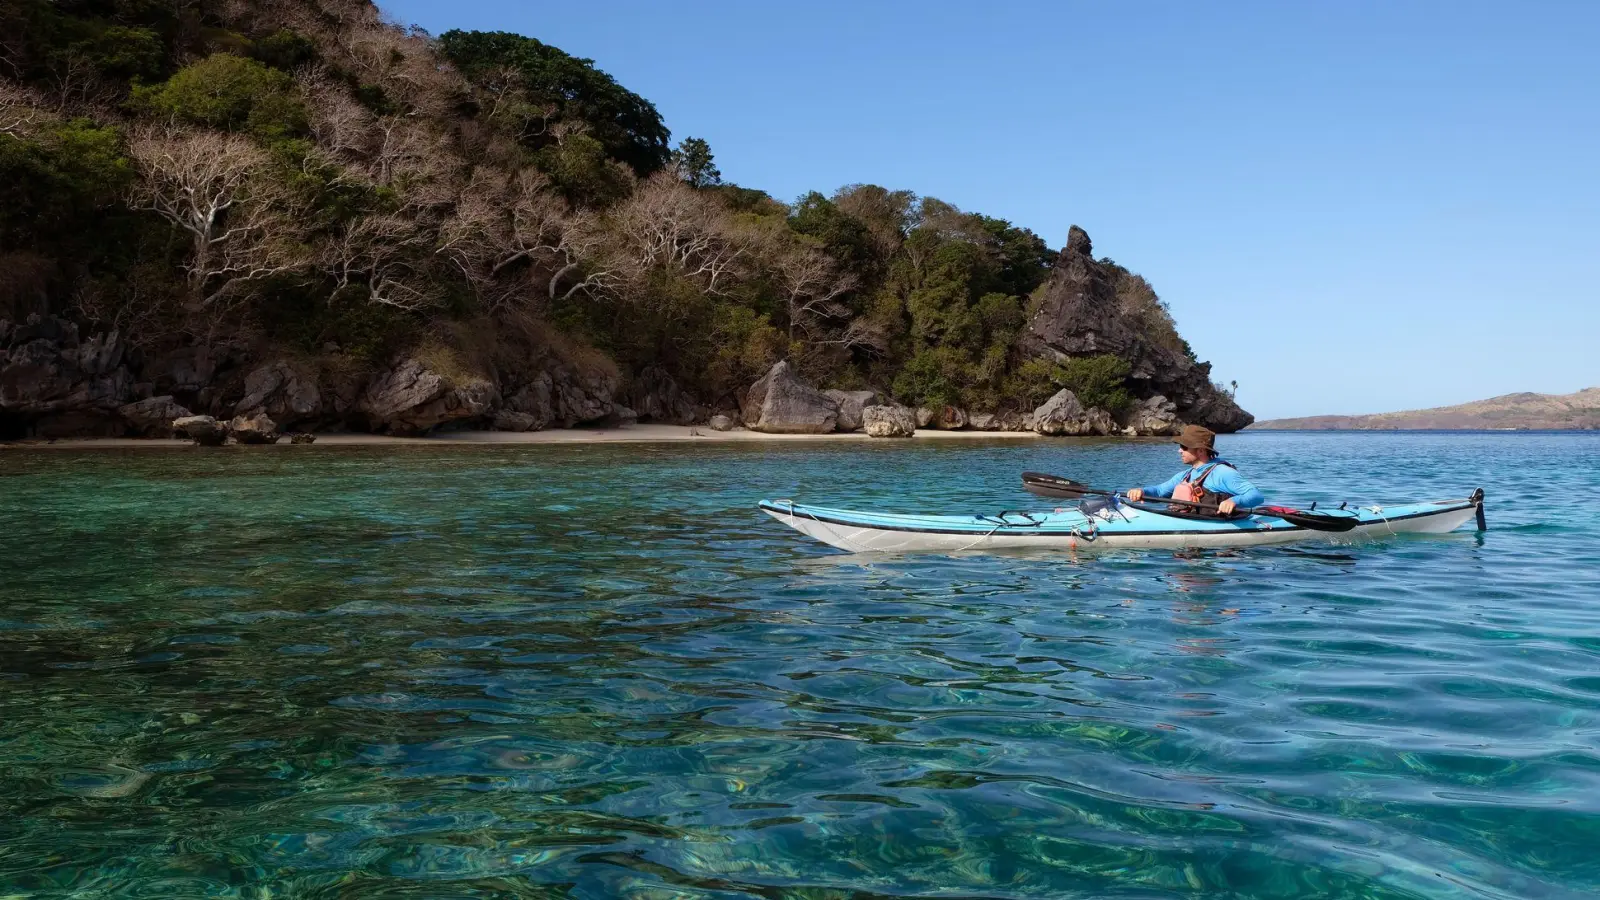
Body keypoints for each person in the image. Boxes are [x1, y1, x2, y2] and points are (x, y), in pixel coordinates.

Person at [1126, 425, 1264, 515]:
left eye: (1184, 447)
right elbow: (1160, 491)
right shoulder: (1186, 475)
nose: (1179, 450)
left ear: (1201, 450)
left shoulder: (1222, 473)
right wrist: (1142, 491)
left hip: (1216, 545)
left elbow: (1256, 496)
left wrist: (1234, 501)